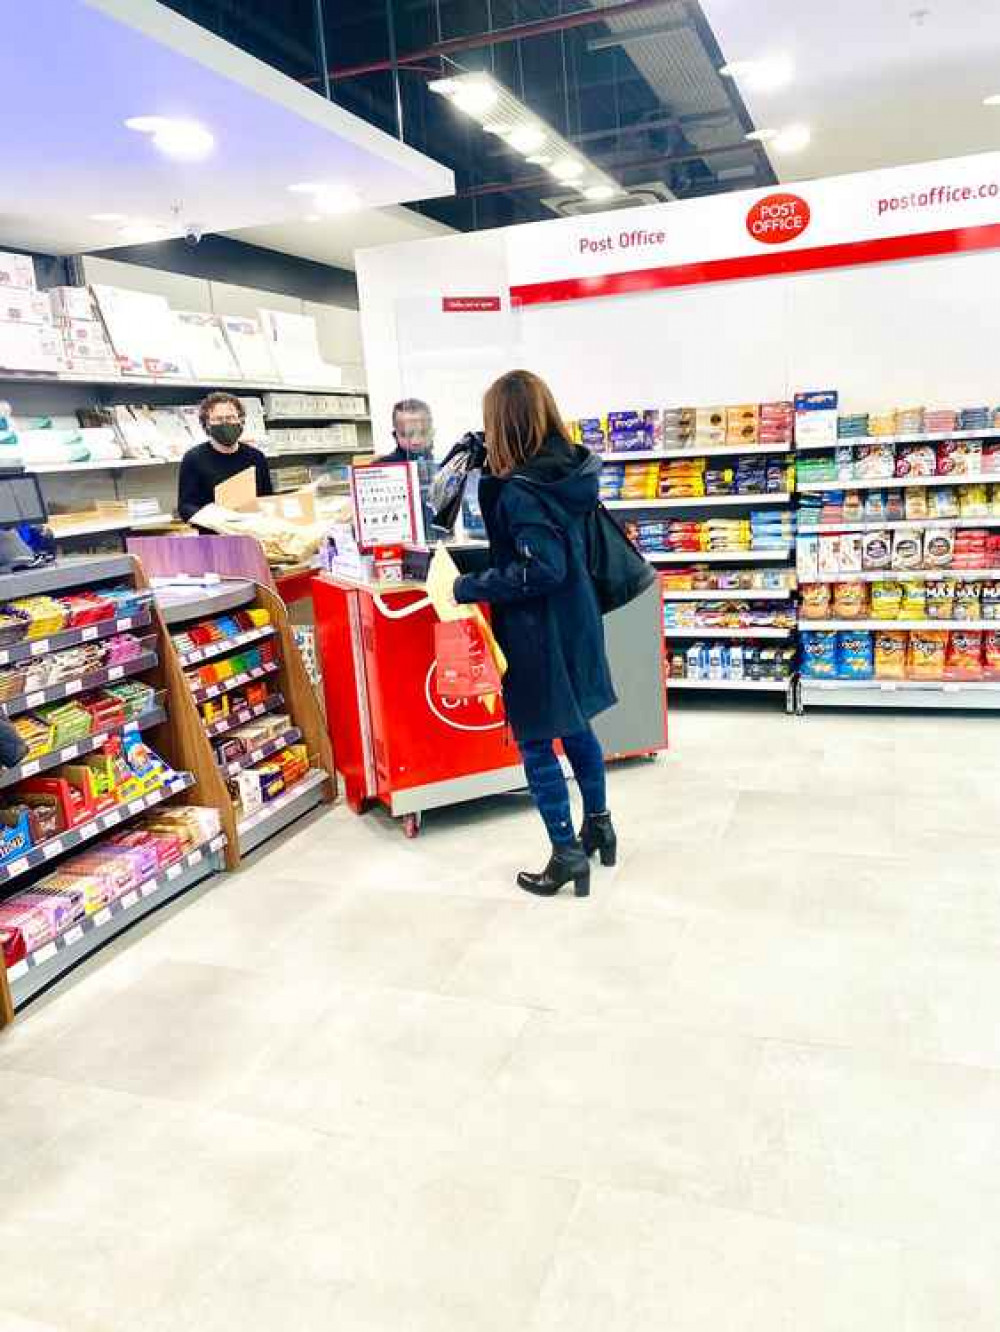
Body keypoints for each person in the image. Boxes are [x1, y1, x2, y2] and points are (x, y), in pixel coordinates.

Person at [452, 370, 617, 899]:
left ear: (503, 424)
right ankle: (599, 825)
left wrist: (468, 585)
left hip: (537, 631)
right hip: (576, 620)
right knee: (578, 727)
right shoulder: (568, 469)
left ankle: (566, 854)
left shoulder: (519, 491)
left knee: (536, 743)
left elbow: (542, 568)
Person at [178, 392, 273, 524]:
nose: (225, 423)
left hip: (251, 532)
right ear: (206, 424)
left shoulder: (256, 457)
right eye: (217, 419)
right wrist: (215, 518)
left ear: (241, 420)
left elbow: (267, 499)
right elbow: (186, 507)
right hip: (213, 536)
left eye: (230, 418)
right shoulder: (193, 459)